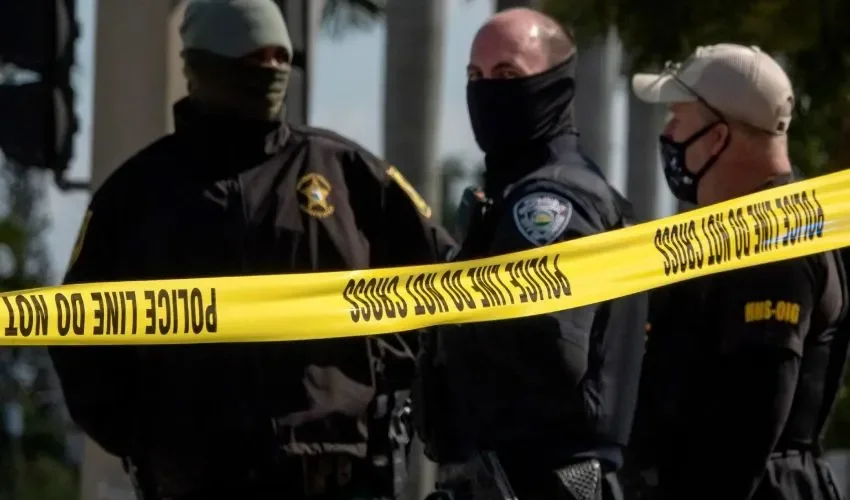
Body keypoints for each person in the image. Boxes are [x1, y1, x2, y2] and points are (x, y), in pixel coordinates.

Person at [48, 0, 455, 498]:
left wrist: (374, 376)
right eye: (252, 61)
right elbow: (77, 328)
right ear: (201, 65)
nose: (271, 72)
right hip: (195, 481)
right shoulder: (137, 196)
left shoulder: (342, 172)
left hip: (337, 482)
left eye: (279, 59)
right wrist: (142, 436)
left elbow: (445, 286)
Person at [413, 8, 648, 500]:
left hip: (541, 481)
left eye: (507, 74)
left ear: (555, 83)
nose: (486, 89)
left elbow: (549, 350)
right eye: (475, 75)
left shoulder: (550, 203)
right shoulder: (511, 198)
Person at [622, 43, 849, 500]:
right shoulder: (734, 233)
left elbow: (746, 427)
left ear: (718, 138)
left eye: (677, 119)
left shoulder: (777, 240)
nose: (667, 134)